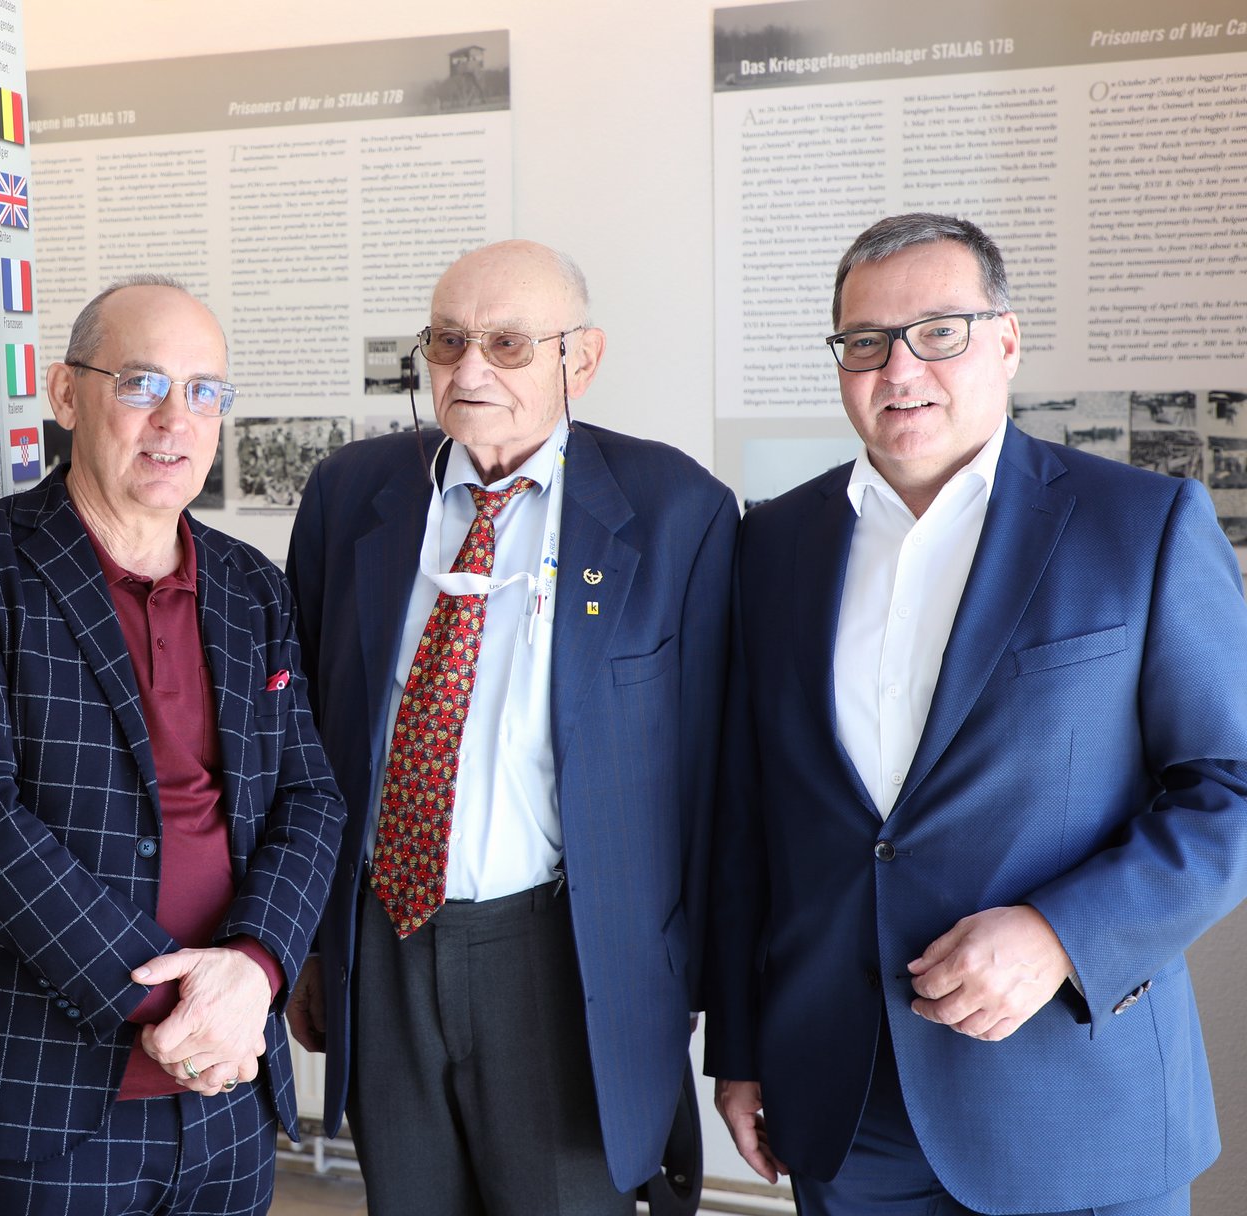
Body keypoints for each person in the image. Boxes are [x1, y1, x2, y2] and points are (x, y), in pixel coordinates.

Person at [705, 212, 1247, 1216]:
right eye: (866, 341)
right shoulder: (771, 543)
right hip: (844, 1107)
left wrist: (1059, 934)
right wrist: (738, 1047)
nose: (900, 368)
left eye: (938, 332)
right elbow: (748, 819)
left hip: (1071, 1098)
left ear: (1006, 341)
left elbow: (1232, 789)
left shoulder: (1142, 522)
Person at [284, 239, 737, 1215]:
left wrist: (701, 994)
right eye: (448, 342)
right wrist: (312, 943)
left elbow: (713, 776)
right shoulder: (349, 494)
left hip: (561, 956)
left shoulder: (675, 509)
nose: (470, 369)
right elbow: (308, 738)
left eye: (507, 344)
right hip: (381, 942)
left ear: (583, 357)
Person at [0, 276, 346, 1215]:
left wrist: (255, 970)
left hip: (226, 1102)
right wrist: (183, 1005)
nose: (176, 420)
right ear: (65, 393)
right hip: (39, 1097)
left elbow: (310, 798)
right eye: (142, 384)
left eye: (204, 391)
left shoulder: (252, 586)